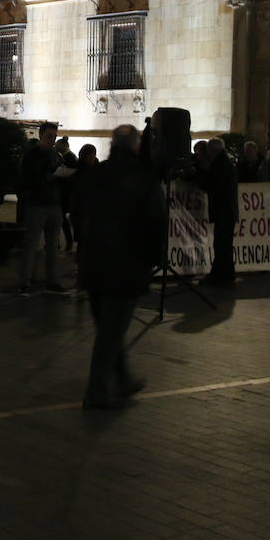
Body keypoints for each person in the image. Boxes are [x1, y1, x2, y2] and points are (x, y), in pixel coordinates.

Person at [78, 125, 165, 408]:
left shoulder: (96, 174)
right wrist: (153, 260)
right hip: (125, 265)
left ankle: (123, 379)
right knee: (110, 332)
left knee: (109, 328)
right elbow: (155, 222)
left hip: (94, 263)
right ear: (135, 146)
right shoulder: (143, 178)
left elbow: (79, 212)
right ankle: (96, 393)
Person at [16, 122, 66, 295]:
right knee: (31, 245)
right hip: (36, 204)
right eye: (49, 136)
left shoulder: (56, 155)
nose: (52, 140)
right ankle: (25, 282)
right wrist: (46, 178)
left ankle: (52, 281)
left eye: (54, 136)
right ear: (41, 135)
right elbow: (25, 179)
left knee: (53, 246)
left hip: (53, 203)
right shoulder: (31, 155)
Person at [201, 138, 238, 286]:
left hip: (224, 211)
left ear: (212, 151)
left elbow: (213, 186)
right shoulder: (224, 162)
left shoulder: (220, 165)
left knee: (222, 245)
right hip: (227, 211)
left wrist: (198, 179)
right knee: (224, 245)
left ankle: (221, 275)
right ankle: (225, 274)